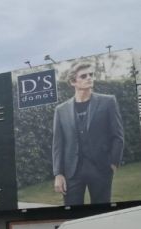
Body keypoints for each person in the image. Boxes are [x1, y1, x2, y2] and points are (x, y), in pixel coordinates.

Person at [52, 61, 124, 206]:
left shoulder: (108, 101)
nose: (89, 78)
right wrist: (58, 174)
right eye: (83, 76)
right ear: (73, 81)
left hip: (101, 168)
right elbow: (58, 144)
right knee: (72, 214)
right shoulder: (61, 110)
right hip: (72, 172)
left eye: (91, 75)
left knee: (102, 213)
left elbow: (118, 136)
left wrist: (113, 163)